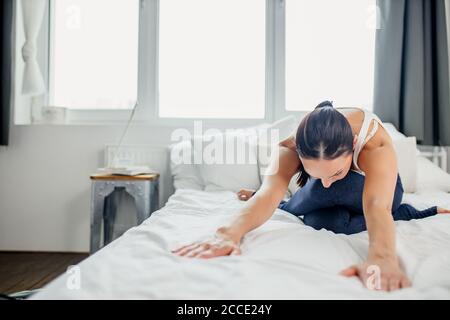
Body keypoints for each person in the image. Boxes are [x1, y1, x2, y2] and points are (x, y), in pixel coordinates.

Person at [173, 101, 450, 291]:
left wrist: (383, 257)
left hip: (381, 192)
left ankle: (403, 211)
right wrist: (227, 233)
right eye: (316, 173)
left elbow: (376, 205)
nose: (327, 182)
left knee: (320, 191)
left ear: (352, 146)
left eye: (336, 171)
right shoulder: (287, 146)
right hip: (331, 207)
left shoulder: (373, 142)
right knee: (320, 221)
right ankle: (298, 202)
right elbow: (269, 193)